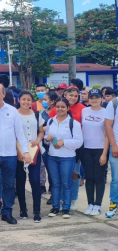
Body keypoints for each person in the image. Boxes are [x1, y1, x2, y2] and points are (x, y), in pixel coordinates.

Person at [0, 83, 31, 225]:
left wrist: (25, 151)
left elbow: (19, 133)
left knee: (9, 184)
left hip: (9, 154)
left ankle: (7, 212)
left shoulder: (12, 111)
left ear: (4, 94)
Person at [45, 98, 83, 219]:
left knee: (66, 183)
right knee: (55, 183)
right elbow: (46, 137)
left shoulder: (73, 123)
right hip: (52, 157)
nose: (60, 109)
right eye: (58, 107)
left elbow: (78, 142)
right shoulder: (50, 121)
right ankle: (56, 207)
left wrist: (63, 142)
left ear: (67, 108)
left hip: (67, 157)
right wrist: (48, 138)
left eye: (63, 107)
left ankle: (66, 208)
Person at [15, 91, 45, 222]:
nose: (26, 102)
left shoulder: (37, 115)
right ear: (19, 100)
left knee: (35, 181)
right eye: (23, 99)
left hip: (34, 152)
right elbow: (12, 134)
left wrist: (38, 140)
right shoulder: (14, 115)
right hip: (18, 151)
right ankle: (23, 210)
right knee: (20, 182)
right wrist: (19, 152)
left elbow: (41, 131)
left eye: (28, 99)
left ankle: (37, 211)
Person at [80, 88, 108, 216]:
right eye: (92, 98)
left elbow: (109, 134)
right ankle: (90, 203)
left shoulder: (106, 112)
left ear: (101, 98)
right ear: (88, 99)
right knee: (89, 178)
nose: (94, 100)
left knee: (99, 178)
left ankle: (98, 205)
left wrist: (104, 153)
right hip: (86, 149)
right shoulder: (84, 111)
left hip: (100, 149)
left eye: (97, 97)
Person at [104, 88, 118, 218]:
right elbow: (108, 125)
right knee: (116, 180)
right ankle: (114, 205)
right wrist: (113, 145)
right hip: (116, 148)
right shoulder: (114, 103)